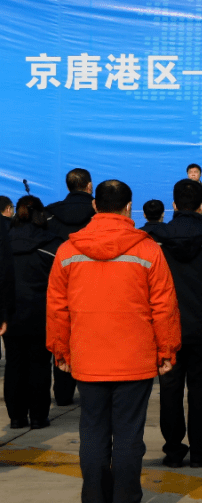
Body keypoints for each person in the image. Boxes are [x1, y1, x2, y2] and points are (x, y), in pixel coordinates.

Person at [46, 179, 181, 503]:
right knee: (128, 435)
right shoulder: (147, 249)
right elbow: (164, 306)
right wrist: (166, 349)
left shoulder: (67, 251)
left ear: (95, 206)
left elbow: (56, 307)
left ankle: (93, 496)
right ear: (129, 207)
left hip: (88, 355)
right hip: (134, 357)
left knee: (92, 432)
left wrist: (60, 349)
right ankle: (126, 496)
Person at [144, 179, 202, 468]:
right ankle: (201, 452)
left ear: (173, 205)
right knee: (200, 392)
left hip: (165, 329)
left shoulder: (155, 241)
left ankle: (173, 451)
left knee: (169, 392)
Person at [3, 196, 63, 429]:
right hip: (42, 313)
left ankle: (16, 417)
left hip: (11, 313)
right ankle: (38, 416)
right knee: (39, 365)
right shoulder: (52, 244)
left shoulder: (5, 241)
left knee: (14, 364)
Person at [45, 167, 94, 407]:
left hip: (58, 280)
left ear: (68, 186)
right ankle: (92, 389)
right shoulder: (99, 212)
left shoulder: (50, 215)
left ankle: (63, 393)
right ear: (89, 186)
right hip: (91, 284)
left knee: (62, 333)